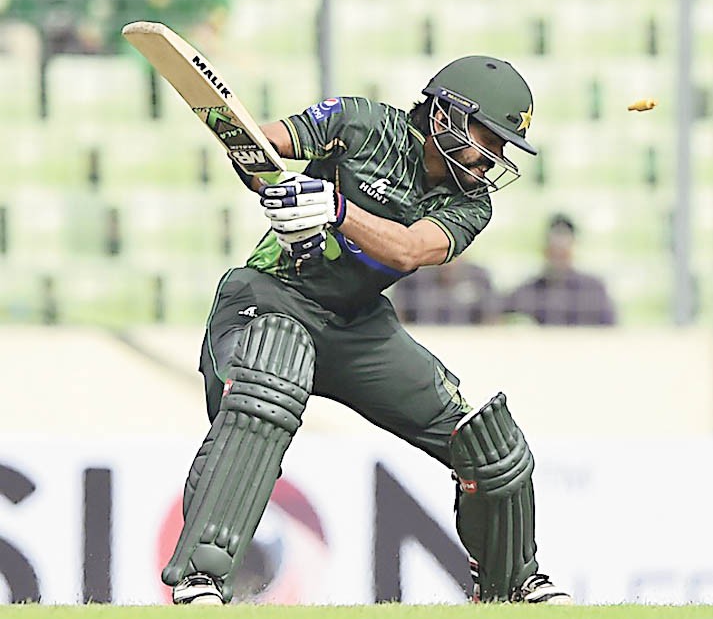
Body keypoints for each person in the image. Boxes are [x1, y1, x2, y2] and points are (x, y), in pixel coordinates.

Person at [160, 55, 572, 606]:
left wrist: (334, 208)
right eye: (489, 139)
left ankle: (510, 588)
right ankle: (201, 579)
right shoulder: (361, 124)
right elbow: (265, 146)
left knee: (489, 446)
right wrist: (261, 171)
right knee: (267, 388)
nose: (492, 158)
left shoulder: (471, 203)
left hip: (356, 323)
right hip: (270, 296)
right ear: (447, 114)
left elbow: (410, 248)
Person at [502, 213, 616, 326]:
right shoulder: (525, 293)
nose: (558, 258)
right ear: (545, 250)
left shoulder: (594, 291)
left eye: (563, 253)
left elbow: (611, 330)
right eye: (554, 252)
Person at [392, 258, 500, 325]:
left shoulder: (479, 277)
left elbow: (491, 320)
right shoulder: (413, 279)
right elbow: (398, 318)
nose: (450, 263)